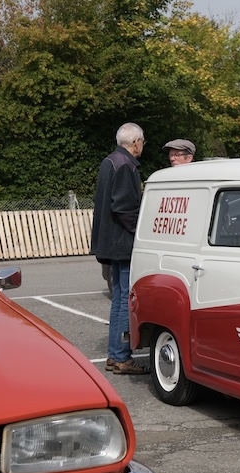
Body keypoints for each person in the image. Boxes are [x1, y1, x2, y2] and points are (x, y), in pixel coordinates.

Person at [91, 122, 148, 375]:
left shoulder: (110, 161)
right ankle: (123, 357)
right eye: (142, 141)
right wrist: (142, 233)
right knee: (126, 299)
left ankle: (115, 355)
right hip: (122, 242)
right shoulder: (125, 165)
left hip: (110, 241)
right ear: (135, 142)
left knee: (118, 299)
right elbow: (124, 207)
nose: (142, 146)